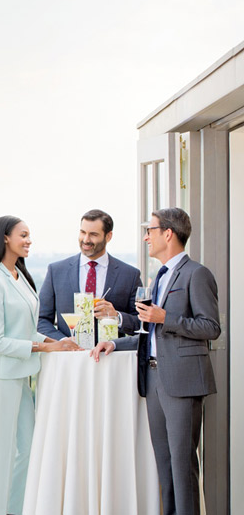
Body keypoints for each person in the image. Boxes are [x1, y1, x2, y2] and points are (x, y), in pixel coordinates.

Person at [90, 207, 220, 515]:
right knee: (164, 463)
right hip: (153, 380)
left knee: (182, 463)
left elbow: (211, 327)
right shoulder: (159, 277)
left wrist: (166, 317)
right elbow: (151, 333)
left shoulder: (196, 274)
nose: (146, 236)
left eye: (151, 229)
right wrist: (114, 342)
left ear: (168, 234)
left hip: (183, 383)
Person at [0, 216, 80, 515]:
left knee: (27, 446)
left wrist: (57, 343)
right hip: (1, 375)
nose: (29, 240)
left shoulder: (19, 276)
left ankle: (18, 508)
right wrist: (44, 346)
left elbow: (25, 330)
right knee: (6, 450)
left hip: (21, 374)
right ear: (5, 238)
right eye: (23, 235)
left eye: (29, 235)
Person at [38, 209, 142, 344]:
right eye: (83, 232)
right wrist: (63, 341)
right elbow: (41, 320)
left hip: (111, 359)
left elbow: (141, 322)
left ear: (108, 236)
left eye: (93, 234)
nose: (86, 240)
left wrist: (116, 316)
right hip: (68, 358)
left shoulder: (129, 275)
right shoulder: (56, 271)